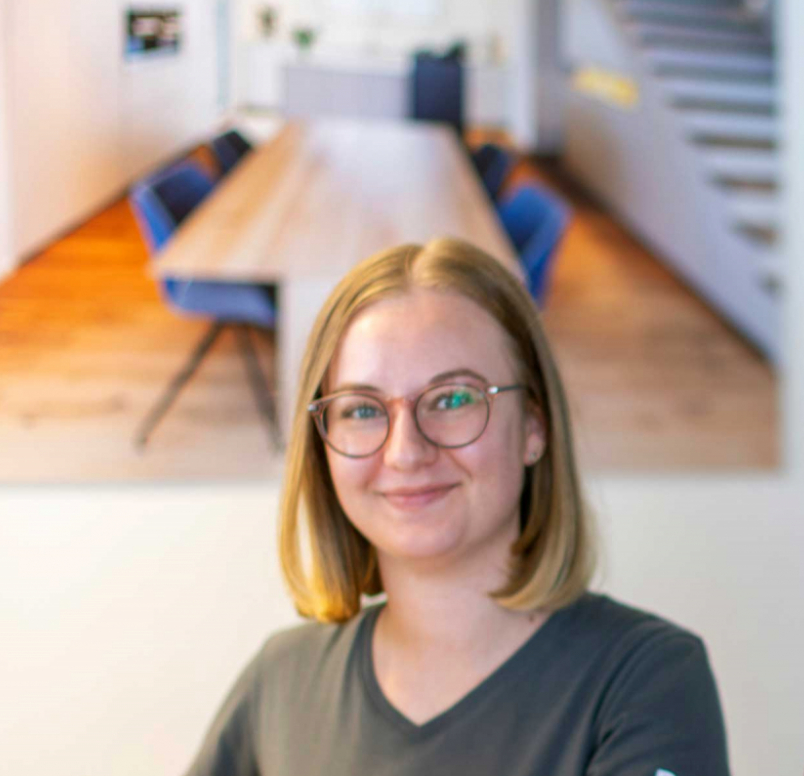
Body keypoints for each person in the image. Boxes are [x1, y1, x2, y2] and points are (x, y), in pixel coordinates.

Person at [187, 238, 729, 776]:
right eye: (362, 410)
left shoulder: (646, 679)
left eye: (453, 399)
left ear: (534, 425)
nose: (405, 453)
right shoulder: (281, 681)